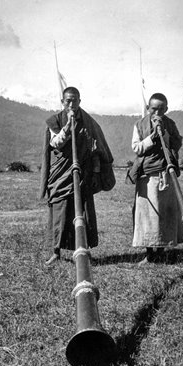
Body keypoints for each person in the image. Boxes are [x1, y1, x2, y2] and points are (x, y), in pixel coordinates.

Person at [40, 87, 115, 265]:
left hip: (83, 174)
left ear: (80, 101)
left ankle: (83, 249)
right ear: (62, 102)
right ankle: (56, 252)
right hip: (62, 174)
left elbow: (97, 149)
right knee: (60, 212)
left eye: (75, 101)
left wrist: (96, 172)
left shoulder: (89, 122)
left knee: (82, 211)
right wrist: (67, 128)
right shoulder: (56, 120)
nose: (71, 104)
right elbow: (55, 143)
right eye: (68, 101)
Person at [128, 93, 183, 265]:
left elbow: (176, 144)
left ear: (166, 109)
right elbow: (137, 148)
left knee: (163, 214)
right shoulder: (139, 125)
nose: (157, 112)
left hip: (165, 175)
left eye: (161, 109)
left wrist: (164, 135)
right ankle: (149, 253)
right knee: (146, 216)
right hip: (146, 176)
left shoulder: (170, 124)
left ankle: (161, 251)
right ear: (148, 108)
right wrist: (151, 138)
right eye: (154, 109)